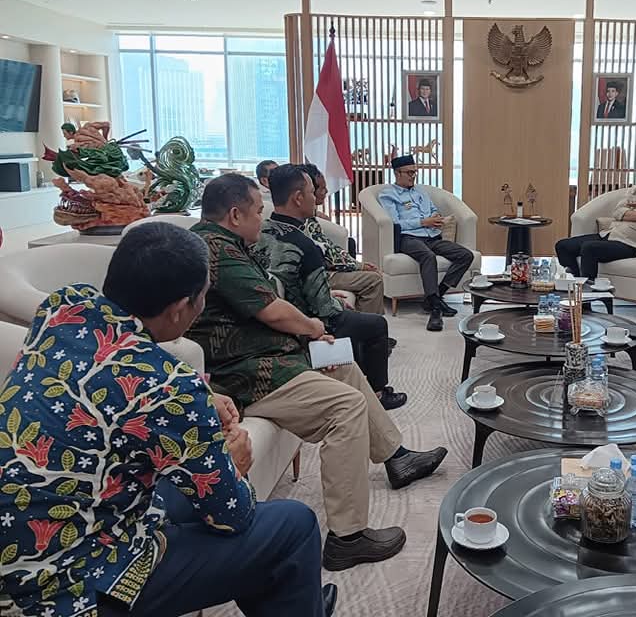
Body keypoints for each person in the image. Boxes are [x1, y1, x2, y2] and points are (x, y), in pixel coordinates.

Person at [0, 222, 336, 616]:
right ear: (179, 310)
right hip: (68, 586)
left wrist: (198, 398)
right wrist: (235, 466)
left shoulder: (64, 308)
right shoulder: (168, 386)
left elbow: (108, 385)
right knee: (293, 525)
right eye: (202, 298)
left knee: (184, 490)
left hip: (18, 540)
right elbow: (233, 515)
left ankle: (295, 601)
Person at [186, 174, 448, 571]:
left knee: (341, 364)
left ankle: (397, 458)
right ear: (235, 215)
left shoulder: (222, 243)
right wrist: (312, 327)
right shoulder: (216, 250)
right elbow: (272, 310)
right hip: (249, 372)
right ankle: (348, 537)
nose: (262, 218)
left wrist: (311, 335)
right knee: (346, 407)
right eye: (257, 212)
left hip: (266, 356)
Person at [259, 164, 405, 410]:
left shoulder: (260, 232)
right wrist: (335, 300)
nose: (316, 197)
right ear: (298, 197)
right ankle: (378, 393)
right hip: (306, 321)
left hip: (277, 314)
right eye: (311, 192)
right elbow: (324, 309)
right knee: (376, 325)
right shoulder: (304, 245)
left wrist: (327, 292)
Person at [378, 155, 474, 332]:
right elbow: (395, 223)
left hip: (432, 236)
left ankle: (434, 297)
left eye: (415, 172)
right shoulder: (388, 195)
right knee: (428, 257)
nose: (413, 176)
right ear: (397, 173)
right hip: (409, 238)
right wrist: (423, 222)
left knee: (465, 255)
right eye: (409, 172)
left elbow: (433, 210)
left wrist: (436, 217)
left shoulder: (421, 191)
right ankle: (436, 310)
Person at [301, 163, 385, 316]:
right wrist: (359, 266)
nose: (326, 191)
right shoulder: (304, 221)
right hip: (318, 275)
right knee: (373, 280)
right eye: (320, 189)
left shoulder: (307, 218)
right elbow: (328, 255)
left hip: (321, 271)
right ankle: (370, 326)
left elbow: (327, 247)